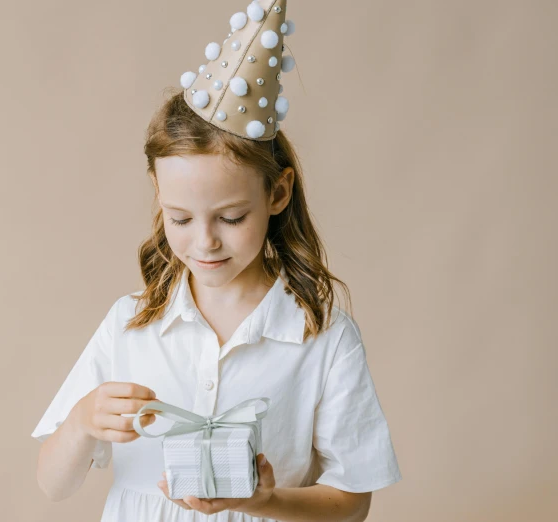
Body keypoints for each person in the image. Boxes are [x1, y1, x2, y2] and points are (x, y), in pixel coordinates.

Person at [31, 1, 402, 520]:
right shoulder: (129, 325)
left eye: (230, 218)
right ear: (158, 195)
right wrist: (80, 422)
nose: (204, 242)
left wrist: (267, 500)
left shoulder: (323, 338)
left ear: (278, 193)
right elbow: (53, 483)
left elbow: (351, 504)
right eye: (180, 219)